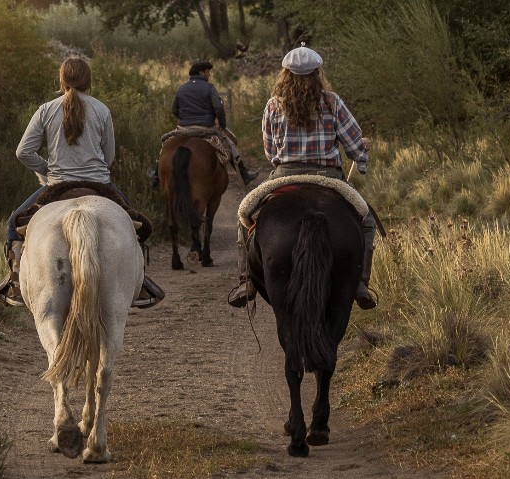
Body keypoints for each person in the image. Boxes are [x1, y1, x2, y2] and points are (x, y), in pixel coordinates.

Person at [0, 56, 164, 309]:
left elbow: (23, 152)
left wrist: (48, 169)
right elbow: (110, 156)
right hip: (100, 186)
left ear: (62, 80)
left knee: (13, 224)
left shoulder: (46, 110)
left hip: (57, 186)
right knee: (138, 226)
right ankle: (139, 282)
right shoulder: (102, 110)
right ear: (88, 81)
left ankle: (15, 281)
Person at [228, 45, 378, 310]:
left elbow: (270, 151)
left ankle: (246, 281)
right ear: (317, 73)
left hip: (284, 175)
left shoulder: (274, 104)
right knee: (366, 220)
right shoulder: (332, 102)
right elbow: (354, 147)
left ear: (285, 74)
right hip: (329, 177)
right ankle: (360, 285)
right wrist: (361, 151)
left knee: (244, 216)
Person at [146, 61, 258, 187]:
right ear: (201, 73)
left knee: (166, 145)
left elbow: (174, 110)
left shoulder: (181, 88)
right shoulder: (209, 88)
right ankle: (244, 173)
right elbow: (219, 108)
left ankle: (156, 174)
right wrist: (222, 125)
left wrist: (185, 119)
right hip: (206, 127)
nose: (209, 75)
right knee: (230, 143)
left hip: (184, 127)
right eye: (207, 72)